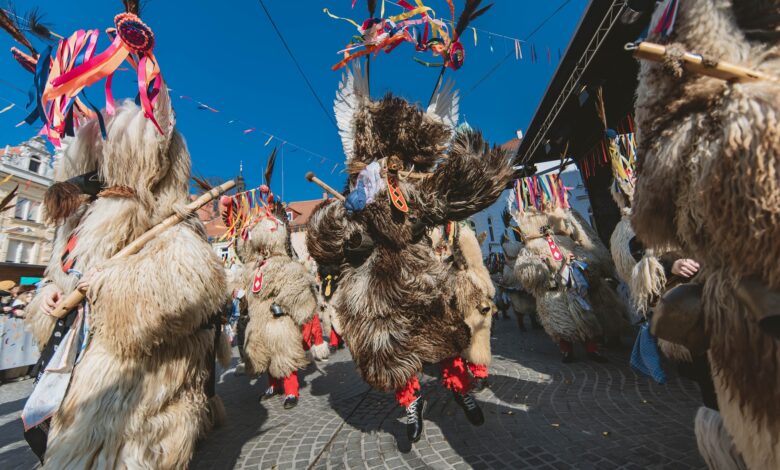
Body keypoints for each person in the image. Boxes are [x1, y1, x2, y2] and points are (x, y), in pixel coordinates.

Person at [307, 63, 512, 446]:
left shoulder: (412, 189)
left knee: (446, 335)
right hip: (376, 292)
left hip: (421, 278)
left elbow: (443, 204)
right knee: (391, 352)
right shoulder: (356, 192)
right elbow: (326, 245)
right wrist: (347, 219)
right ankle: (411, 403)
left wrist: (476, 177)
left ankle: (460, 389)